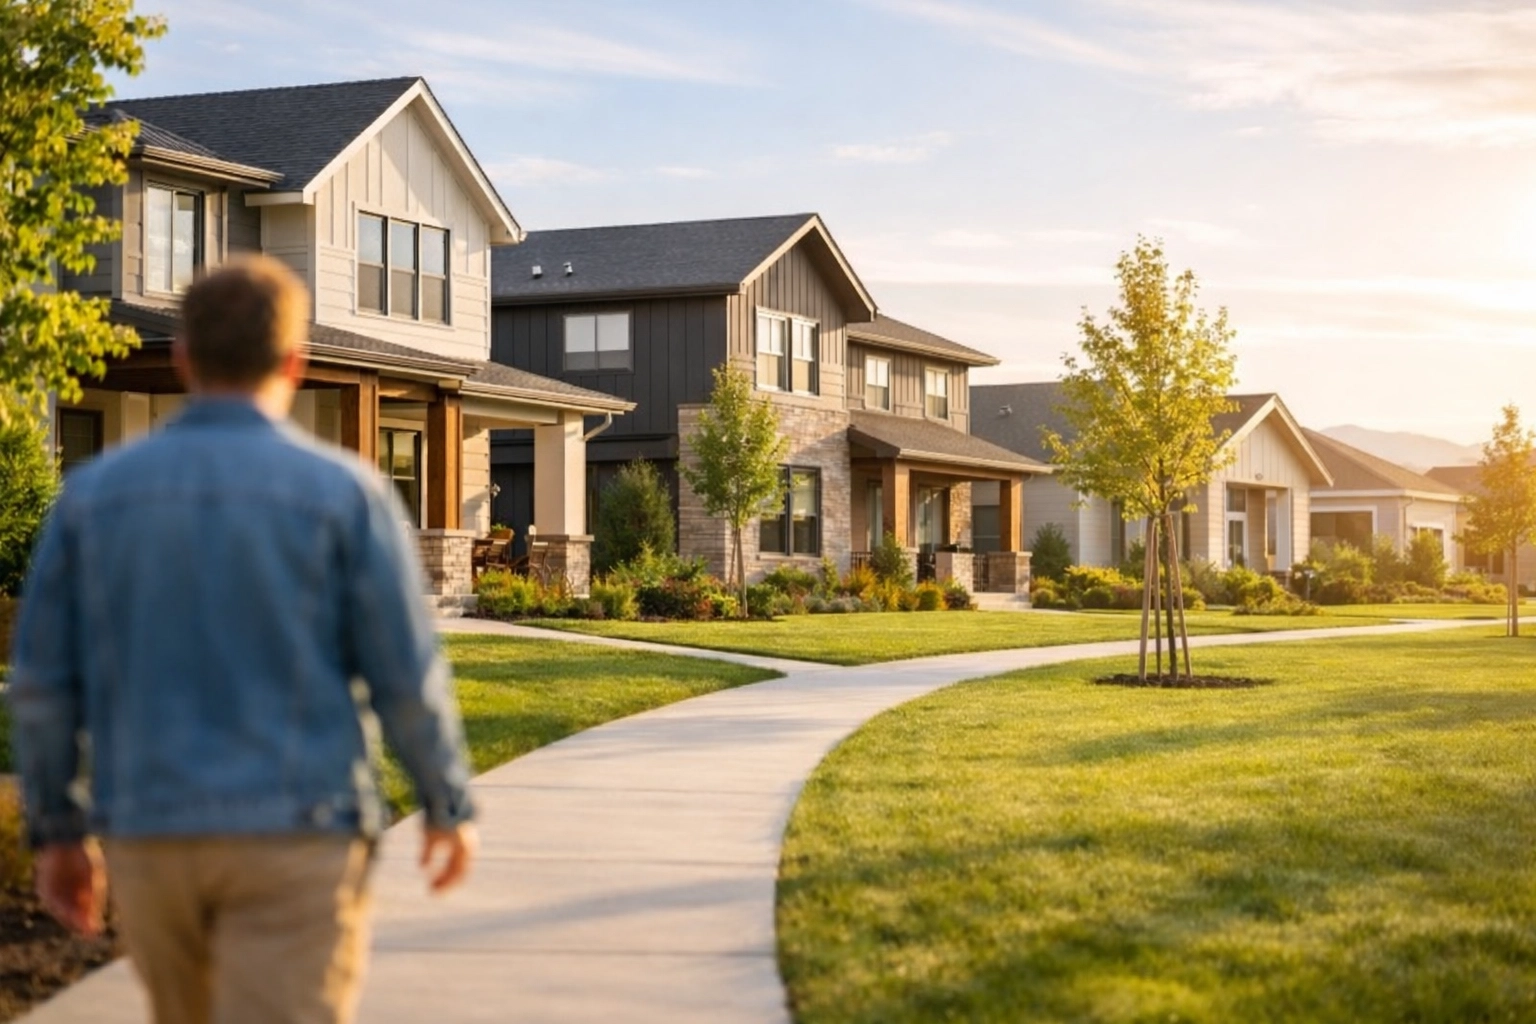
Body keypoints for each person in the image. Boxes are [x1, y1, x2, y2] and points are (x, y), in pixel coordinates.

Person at [9, 256, 478, 1024]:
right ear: (295, 362)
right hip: (300, 831)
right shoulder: (345, 495)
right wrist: (445, 801)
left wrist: (57, 830)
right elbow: (405, 671)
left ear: (184, 357)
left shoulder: (90, 499)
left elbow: (43, 684)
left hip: (151, 832)